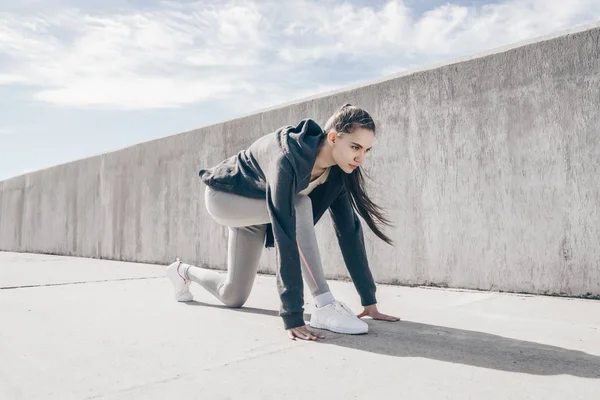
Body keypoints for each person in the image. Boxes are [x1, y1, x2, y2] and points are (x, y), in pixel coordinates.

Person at [166, 104, 400, 341]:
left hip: (260, 207)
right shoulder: (288, 155)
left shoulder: (337, 173)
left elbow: (349, 230)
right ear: (332, 138)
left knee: (233, 296)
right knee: (300, 205)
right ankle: (324, 304)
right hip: (226, 198)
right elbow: (285, 230)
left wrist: (369, 300)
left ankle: (181, 271)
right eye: (355, 147)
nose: (360, 157)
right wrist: (293, 315)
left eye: (367, 150)